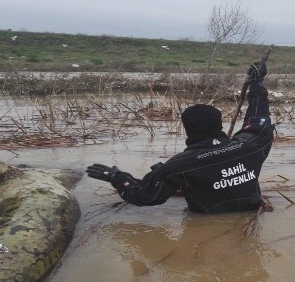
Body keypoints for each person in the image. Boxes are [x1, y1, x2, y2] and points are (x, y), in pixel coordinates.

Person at [86, 62, 273, 213]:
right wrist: (256, 83)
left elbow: (145, 197)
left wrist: (116, 177)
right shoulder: (252, 145)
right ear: (219, 125)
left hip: (205, 230)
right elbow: (258, 117)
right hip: (253, 217)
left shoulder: (178, 166)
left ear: (187, 130)